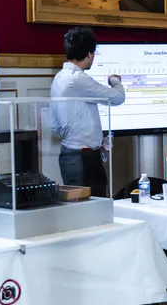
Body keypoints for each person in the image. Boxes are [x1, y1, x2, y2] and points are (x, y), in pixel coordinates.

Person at [51, 26, 125, 197]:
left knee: (79, 210)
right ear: (90, 54)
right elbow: (117, 97)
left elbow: (56, 125)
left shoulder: (59, 77)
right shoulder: (78, 79)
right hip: (83, 159)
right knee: (95, 209)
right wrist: (115, 80)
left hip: (70, 154)